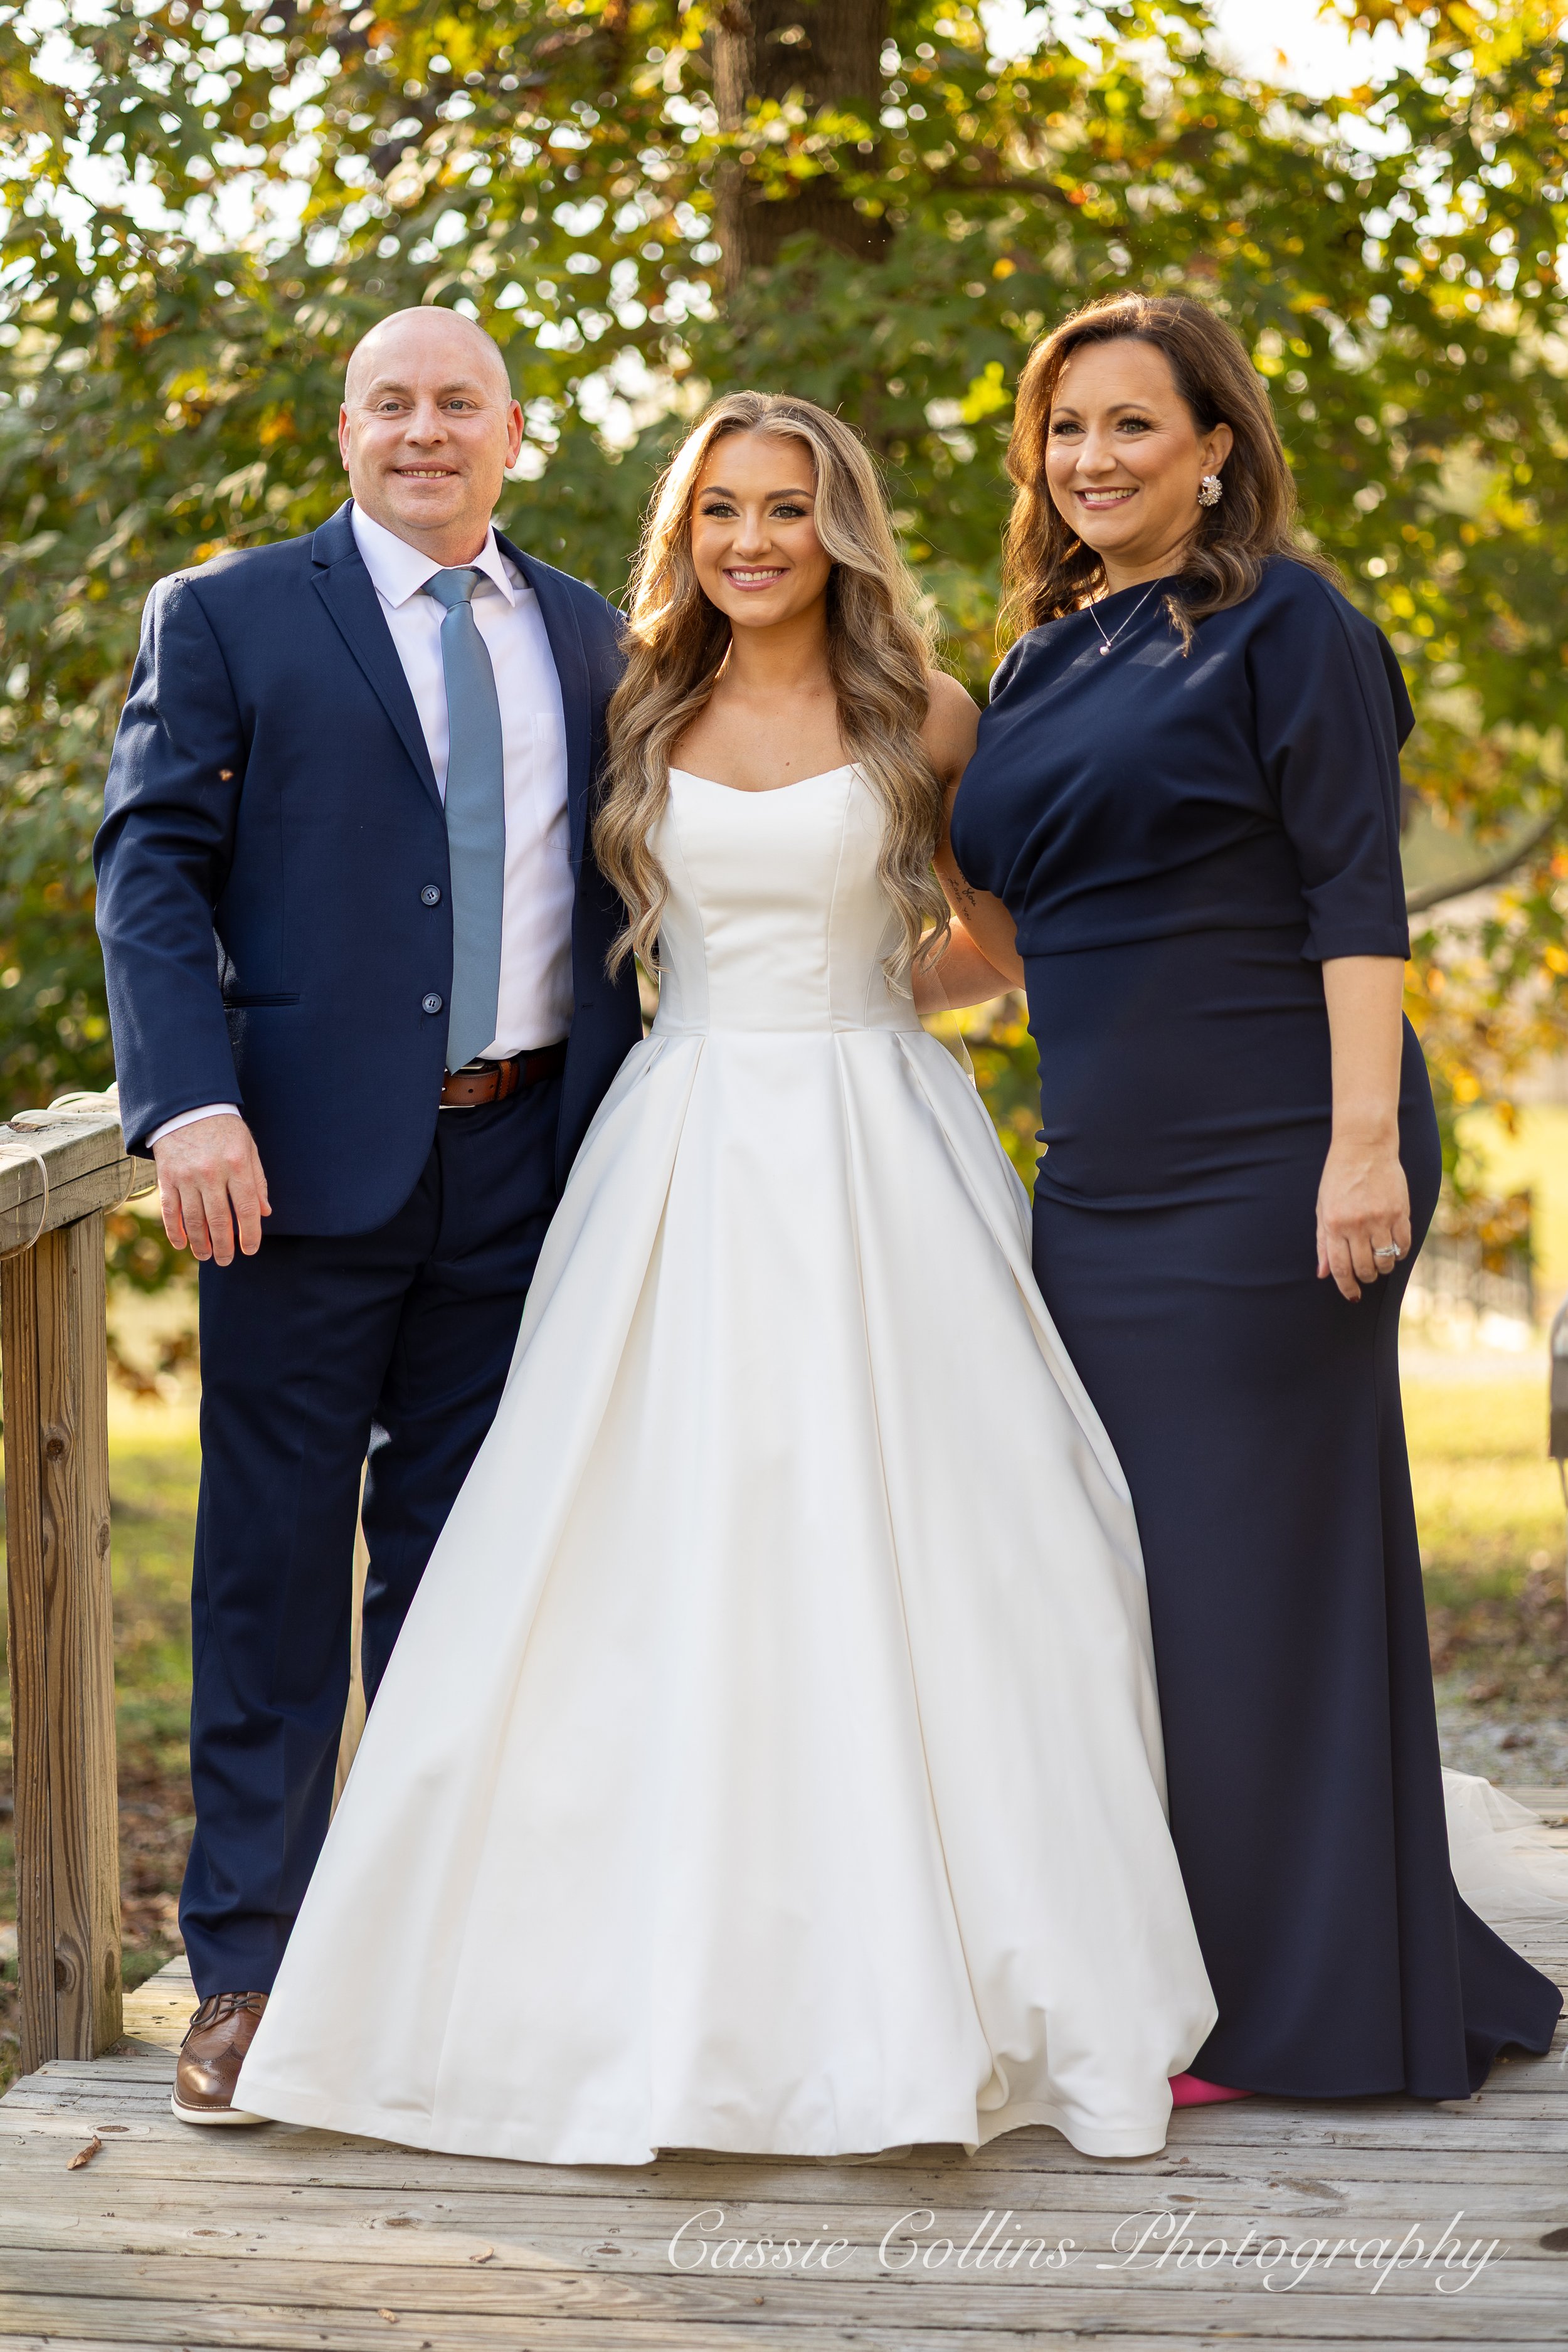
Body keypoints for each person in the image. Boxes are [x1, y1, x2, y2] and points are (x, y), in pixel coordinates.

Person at [233, 391, 1217, 2164]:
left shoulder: (925, 716)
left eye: (786, 510)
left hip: (871, 1150)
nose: (751, 543)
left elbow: (987, 942)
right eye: (719, 514)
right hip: (674, 1149)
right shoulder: (638, 706)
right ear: (683, 535)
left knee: (952, 1545)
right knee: (631, 1547)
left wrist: (844, 1008)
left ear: (837, 526)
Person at [946, 292, 1562, 2102]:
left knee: (1244, 1580)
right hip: (1105, 1179)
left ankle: (1294, 2008)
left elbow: (1351, 896)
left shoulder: (1286, 621)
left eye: (1132, 425)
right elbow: (998, 942)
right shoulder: (1043, 658)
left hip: (1284, 1154)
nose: (1092, 461)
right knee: (1128, 1582)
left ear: (1215, 445)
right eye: (1064, 431)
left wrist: (1356, 1148)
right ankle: (1230, 1963)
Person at [94, 307, 644, 2124]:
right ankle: (248, 1971)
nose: (426, 432)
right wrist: (188, 1100)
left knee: (466, 1576)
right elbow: (153, 866)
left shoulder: (593, 636)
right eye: (392, 404)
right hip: (294, 1176)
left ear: (515, 435)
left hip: (527, 1161)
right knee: (267, 1579)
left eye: (458, 405)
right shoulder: (232, 614)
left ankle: (418, 1955)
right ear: (345, 428)